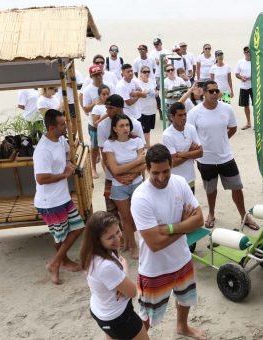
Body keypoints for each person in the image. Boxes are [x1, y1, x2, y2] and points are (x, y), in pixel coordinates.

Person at [130, 144, 206, 339]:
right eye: (156, 173)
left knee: (185, 296)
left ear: (172, 165)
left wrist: (173, 227)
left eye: (166, 171)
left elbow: (199, 220)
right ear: (147, 169)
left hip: (182, 258)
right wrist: (184, 225)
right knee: (147, 315)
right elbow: (154, 244)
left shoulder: (180, 183)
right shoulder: (140, 197)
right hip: (154, 268)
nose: (162, 177)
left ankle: (182, 326)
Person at [186, 81, 259, 230]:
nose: (214, 94)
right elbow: (191, 135)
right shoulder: (194, 113)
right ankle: (211, 214)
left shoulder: (227, 109)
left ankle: (244, 216)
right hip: (205, 160)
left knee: (237, 188)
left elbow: (232, 128)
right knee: (210, 190)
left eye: (216, 91)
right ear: (204, 93)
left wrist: (222, 140)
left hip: (226, 157)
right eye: (211, 91)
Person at [80, 211, 149, 340]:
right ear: (98, 240)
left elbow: (120, 262)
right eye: (111, 237)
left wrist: (121, 276)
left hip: (100, 311)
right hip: (119, 317)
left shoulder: (90, 254)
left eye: (118, 232)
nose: (118, 239)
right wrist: (124, 272)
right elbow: (132, 292)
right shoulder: (106, 266)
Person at [33, 109, 83, 284]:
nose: (66, 127)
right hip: (49, 202)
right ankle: (57, 263)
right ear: (52, 127)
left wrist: (68, 162)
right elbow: (41, 178)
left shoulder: (60, 138)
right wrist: (64, 175)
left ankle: (58, 261)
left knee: (77, 228)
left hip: (62, 197)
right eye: (62, 124)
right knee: (60, 236)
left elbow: (67, 151)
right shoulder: (43, 150)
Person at [98, 95, 145, 229]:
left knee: (139, 211)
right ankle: (121, 240)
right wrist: (117, 176)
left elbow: (142, 157)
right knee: (113, 214)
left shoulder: (135, 124)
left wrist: (134, 175)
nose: (107, 111)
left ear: (120, 108)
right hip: (112, 178)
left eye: (110, 108)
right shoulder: (102, 126)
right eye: (106, 108)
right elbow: (105, 158)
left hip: (136, 176)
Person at [103, 114, 146, 259]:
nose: (125, 128)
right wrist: (136, 163)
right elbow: (114, 170)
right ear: (114, 128)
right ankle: (134, 246)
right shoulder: (109, 144)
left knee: (139, 216)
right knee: (126, 218)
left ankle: (135, 243)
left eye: (127, 125)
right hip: (119, 186)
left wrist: (129, 173)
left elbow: (144, 165)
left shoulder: (138, 141)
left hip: (136, 183)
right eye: (121, 126)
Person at [83, 66, 118, 177]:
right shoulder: (88, 90)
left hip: (109, 124)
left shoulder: (110, 86)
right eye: (95, 75)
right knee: (95, 148)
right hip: (94, 125)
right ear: (91, 76)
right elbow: (85, 109)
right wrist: (95, 103)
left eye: (100, 74)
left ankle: (109, 168)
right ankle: (93, 168)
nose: (98, 77)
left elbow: (116, 101)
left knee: (107, 148)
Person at [162, 102, 203, 192]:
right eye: (180, 115)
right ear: (172, 117)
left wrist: (181, 154)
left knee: (190, 205)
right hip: (175, 180)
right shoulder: (167, 135)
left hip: (190, 178)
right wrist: (191, 151)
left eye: (185, 114)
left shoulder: (191, 128)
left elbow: (200, 153)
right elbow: (174, 162)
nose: (184, 118)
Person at [137, 65, 158, 145]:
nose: (146, 73)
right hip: (143, 110)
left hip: (152, 109)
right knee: (145, 130)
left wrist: (156, 93)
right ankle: (147, 146)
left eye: (148, 72)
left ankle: (146, 145)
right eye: (144, 72)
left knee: (149, 129)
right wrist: (144, 92)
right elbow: (138, 94)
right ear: (140, 73)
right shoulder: (138, 83)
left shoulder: (152, 81)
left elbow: (156, 91)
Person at [234, 46, 253, 130]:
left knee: (255, 105)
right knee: (246, 105)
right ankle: (248, 123)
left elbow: (259, 74)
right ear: (244, 52)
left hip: (253, 87)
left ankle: (256, 124)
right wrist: (242, 78)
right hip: (243, 86)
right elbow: (237, 74)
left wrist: (250, 77)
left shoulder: (255, 62)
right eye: (246, 51)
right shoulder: (240, 62)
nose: (247, 52)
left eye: (248, 51)